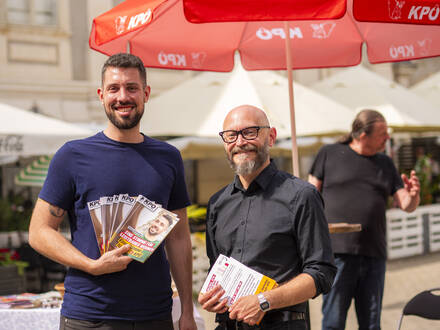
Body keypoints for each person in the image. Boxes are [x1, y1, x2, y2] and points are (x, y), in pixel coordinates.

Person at [29, 53, 197, 330]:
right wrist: (90, 265)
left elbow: (178, 238)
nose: (123, 96)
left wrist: (188, 312)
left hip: (153, 315)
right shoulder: (72, 156)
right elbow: (39, 231)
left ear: (146, 93)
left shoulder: (169, 157)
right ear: (101, 94)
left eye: (132, 88)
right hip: (87, 315)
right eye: (114, 88)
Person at [198, 105, 337, 330]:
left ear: (271, 137)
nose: (240, 142)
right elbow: (218, 268)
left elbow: (322, 272)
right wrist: (212, 297)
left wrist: (264, 301)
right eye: (231, 135)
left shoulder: (302, 195)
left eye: (250, 132)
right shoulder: (217, 204)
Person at [308, 109, 420, 330]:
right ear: (361, 134)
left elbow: (406, 205)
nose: (387, 138)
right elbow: (309, 198)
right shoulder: (329, 153)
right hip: (336, 256)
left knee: (371, 325)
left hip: (373, 256)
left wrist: (414, 195)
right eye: (383, 134)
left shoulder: (386, 163)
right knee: (333, 323)